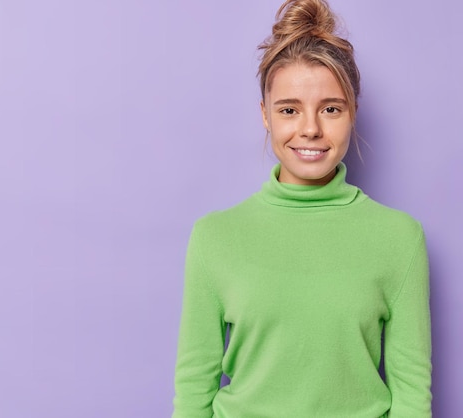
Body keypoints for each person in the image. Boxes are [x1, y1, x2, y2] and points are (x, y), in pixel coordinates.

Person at [172, 0, 432, 416]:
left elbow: (411, 393)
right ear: (265, 116)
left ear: (353, 115)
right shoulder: (215, 237)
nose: (310, 128)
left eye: (331, 109)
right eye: (289, 109)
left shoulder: (400, 238)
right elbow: (193, 388)